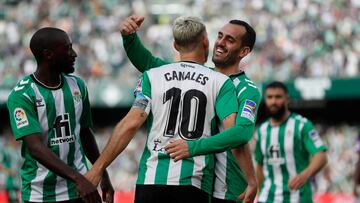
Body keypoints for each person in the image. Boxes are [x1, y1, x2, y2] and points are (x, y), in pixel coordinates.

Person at [85, 16, 252, 203]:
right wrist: (251, 180)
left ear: (174, 45)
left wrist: (97, 169)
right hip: (193, 183)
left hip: (150, 182)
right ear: (205, 42)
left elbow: (130, 124)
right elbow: (235, 136)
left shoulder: (153, 75)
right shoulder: (220, 82)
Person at [6, 27, 114, 203]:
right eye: (67, 48)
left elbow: (85, 133)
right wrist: (79, 178)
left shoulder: (78, 86)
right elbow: (35, 148)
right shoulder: (22, 95)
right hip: (40, 195)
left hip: (78, 191)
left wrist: (102, 173)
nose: (74, 54)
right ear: (49, 54)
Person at [254, 81, 328, 203]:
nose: (273, 102)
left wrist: (305, 175)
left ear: (287, 99)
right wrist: (260, 191)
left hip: (297, 197)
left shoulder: (302, 125)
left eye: (278, 97)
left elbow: (321, 156)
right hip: (267, 198)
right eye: (269, 97)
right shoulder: (261, 130)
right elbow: (260, 165)